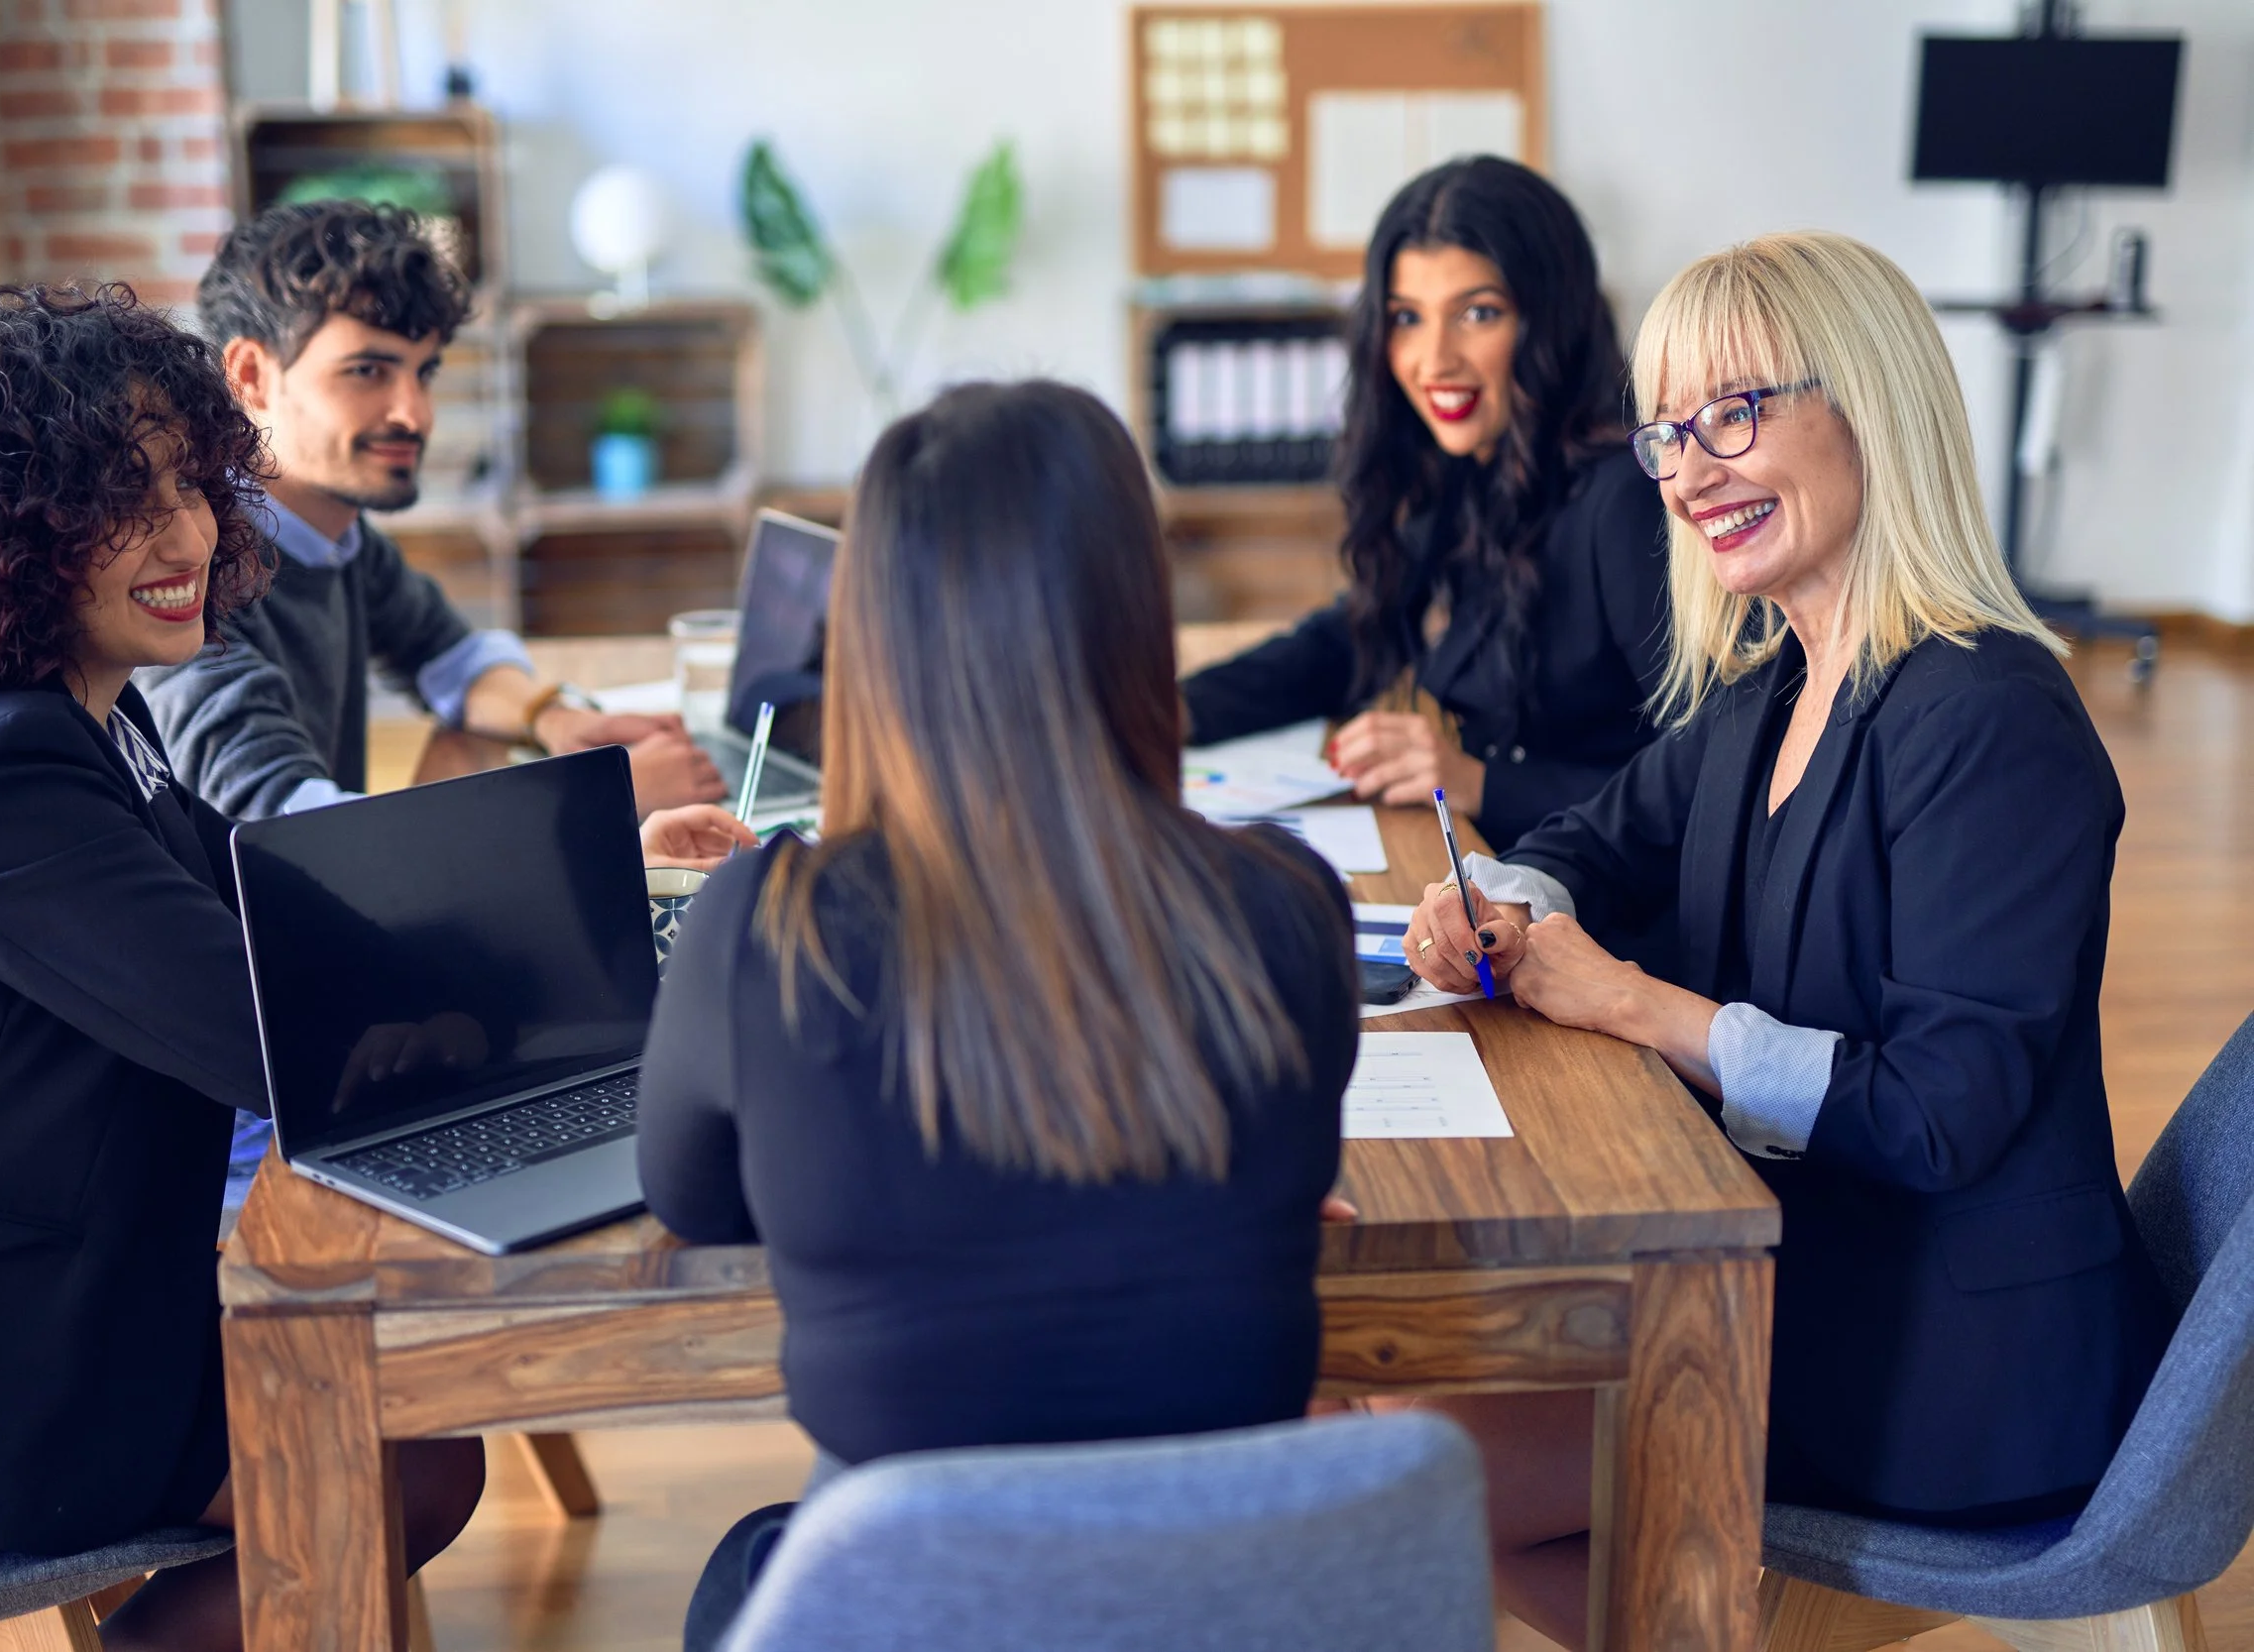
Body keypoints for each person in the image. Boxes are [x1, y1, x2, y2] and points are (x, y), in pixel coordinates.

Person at [1400, 233, 2175, 1648]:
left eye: (1733, 413)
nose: (1688, 473)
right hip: (1812, 1277)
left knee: (1412, 1459)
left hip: (1955, 1364)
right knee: (1392, 1413)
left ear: (1868, 402)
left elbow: (1940, 1112)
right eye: (1666, 436)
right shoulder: (1774, 686)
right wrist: (1501, 902)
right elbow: (1586, 841)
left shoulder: (1992, 720)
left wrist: (1633, 1002)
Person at [0, 286, 486, 1650]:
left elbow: (287, 898)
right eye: (121, 499)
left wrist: (588, 878)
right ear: (12, 525)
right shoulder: (5, 770)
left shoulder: (70, 717)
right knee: (397, 1439)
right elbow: (276, 1035)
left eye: (192, 484)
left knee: (404, 1416)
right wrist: (479, 1011)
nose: (187, 534)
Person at [638, 381, 1362, 1650]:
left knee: (745, 1571)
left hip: (914, 1607)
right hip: (1220, 1608)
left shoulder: (757, 929)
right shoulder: (1289, 909)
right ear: (1137, 613)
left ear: (875, 634)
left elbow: (696, 1200)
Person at [140, 198, 724, 822]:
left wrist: (552, 718)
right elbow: (291, 831)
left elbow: (448, 654)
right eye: (367, 371)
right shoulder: (188, 581)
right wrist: (601, 798)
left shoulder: (334, 539)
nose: (415, 415)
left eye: (425, 372)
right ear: (251, 376)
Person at [1181, 156, 1667, 853]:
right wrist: (1173, 710)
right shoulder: (1474, 467)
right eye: (1407, 317)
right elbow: (1350, 636)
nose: (1433, 360)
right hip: (1516, 879)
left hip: (1618, 924)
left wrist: (1478, 781)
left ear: (1551, 320)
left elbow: (1710, 775)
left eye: (1478, 313)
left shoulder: (1625, 498)